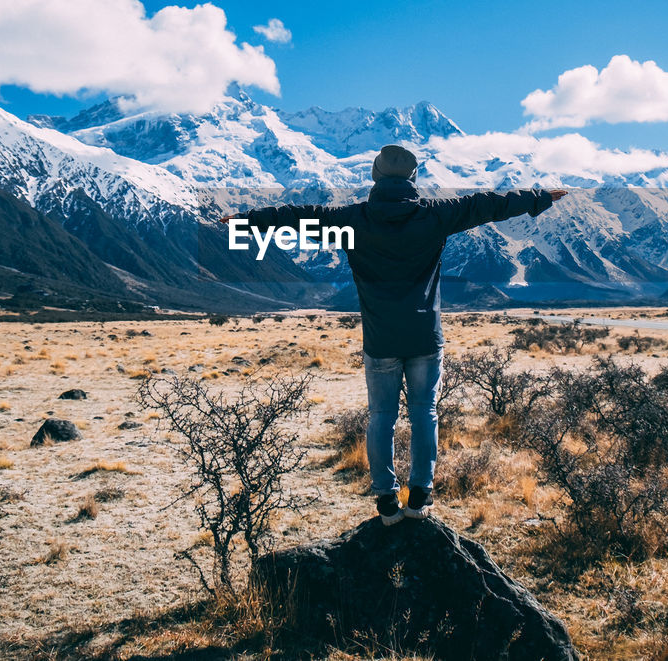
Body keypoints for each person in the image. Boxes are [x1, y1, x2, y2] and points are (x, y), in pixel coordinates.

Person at [221, 144, 566, 525]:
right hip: (424, 337)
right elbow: (486, 205)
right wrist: (537, 199)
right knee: (425, 414)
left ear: (375, 176)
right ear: (414, 178)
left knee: (381, 417)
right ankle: (420, 496)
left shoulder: (351, 219)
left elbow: (298, 217)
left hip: (380, 339)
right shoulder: (436, 215)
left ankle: (386, 502)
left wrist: (248, 219)